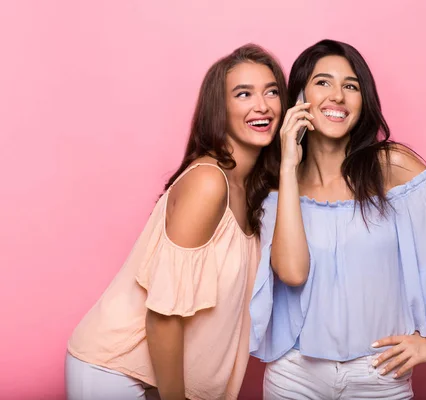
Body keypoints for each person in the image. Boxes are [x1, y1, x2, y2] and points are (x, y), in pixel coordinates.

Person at [250, 39, 426, 399]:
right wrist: (289, 164)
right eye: (323, 82)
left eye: (350, 86)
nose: (337, 95)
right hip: (295, 375)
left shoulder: (392, 167)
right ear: (299, 98)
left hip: (379, 374)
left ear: (362, 101)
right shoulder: (279, 185)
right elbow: (292, 272)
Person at [66, 43, 287, 400]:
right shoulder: (208, 182)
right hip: (117, 372)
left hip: (165, 383)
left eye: (272, 92)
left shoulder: (255, 189)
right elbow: (163, 316)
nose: (262, 105)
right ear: (220, 109)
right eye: (243, 94)